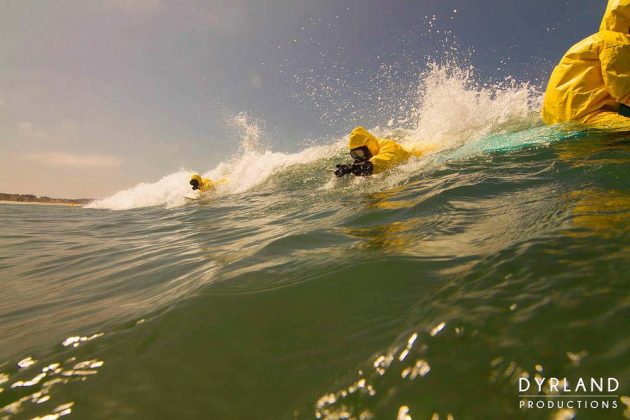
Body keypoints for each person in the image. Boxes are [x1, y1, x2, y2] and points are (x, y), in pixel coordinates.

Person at [541, 0, 630, 129]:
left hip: (555, 115)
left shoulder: (601, 40)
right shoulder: (617, 42)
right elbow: (622, 89)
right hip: (584, 114)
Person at [334, 126, 424, 177]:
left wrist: (361, 167)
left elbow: (382, 160)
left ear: (369, 146)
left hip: (420, 158)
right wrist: (349, 168)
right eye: (354, 154)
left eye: (360, 153)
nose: (359, 157)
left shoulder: (388, 146)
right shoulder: (369, 154)